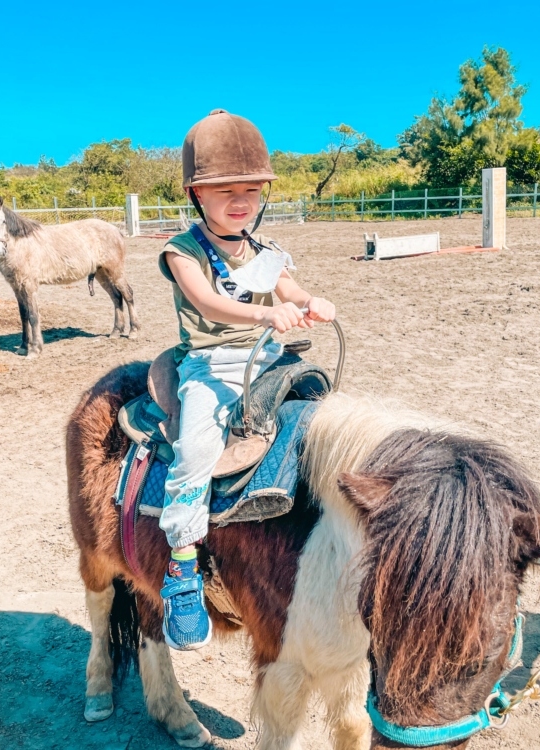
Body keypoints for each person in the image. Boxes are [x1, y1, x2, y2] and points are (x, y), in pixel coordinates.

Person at [156, 109, 335, 650]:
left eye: (250, 190)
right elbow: (205, 300)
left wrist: (310, 302)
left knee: (327, 419)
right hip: (212, 364)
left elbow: (291, 289)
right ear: (196, 194)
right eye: (224, 189)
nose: (241, 201)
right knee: (195, 450)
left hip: (268, 357)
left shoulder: (263, 252)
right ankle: (183, 568)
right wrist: (262, 315)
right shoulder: (182, 251)